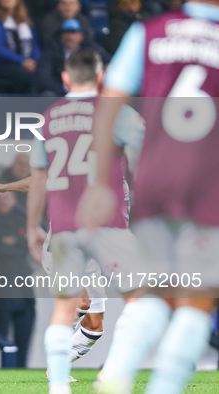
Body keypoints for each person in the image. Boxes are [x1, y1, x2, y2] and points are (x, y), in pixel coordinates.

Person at [77, 0, 219, 392]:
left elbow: (109, 104)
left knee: (158, 289)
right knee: (197, 301)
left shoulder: (149, 31)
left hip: (156, 178)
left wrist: (101, 183)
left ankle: (118, 372)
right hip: (209, 184)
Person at [26, 48, 145, 394]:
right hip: (106, 223)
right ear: (101, 75)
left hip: (63, 226)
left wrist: (32, 227)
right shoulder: (114, 113)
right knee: (140, 300)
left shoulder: (49, 118)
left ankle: (58, 386)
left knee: (66, 310)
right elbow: (145, 162)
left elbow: (38, 178)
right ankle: (116, 375)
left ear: (65, 78)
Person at [0, 176, 107, 382]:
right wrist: (4, 187)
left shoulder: (122, 175)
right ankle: (57, 369)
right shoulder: (82, 160)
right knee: (82, 302)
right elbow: (41, 180)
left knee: (95, 327)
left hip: (92, 255)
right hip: (63, 246)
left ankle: (58, 364)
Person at [0, 191, 36, 368]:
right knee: (1, 338)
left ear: (14, 200)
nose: (2, 202)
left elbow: (33, 245)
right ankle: (2, 375)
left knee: (25, 337)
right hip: (1, 289)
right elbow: (0, 250)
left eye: (6, 198)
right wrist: (19, 242)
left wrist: (15, 242)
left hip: (25, 290)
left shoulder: (26, 223)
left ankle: (21, 373)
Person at [0, 0, 41, 94]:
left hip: (24, 63)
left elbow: (35, 45)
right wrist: (22, 61)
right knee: (22, 74)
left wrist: (33, 61)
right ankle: (18, 105)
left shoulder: (27, 23)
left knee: (40, 72)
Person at [37, 19, 110, 96]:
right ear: (61, 36)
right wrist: (62, 91)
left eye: (73, 33)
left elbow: (108, 60)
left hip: (87, 90)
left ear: (81, 35)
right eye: (66, 33)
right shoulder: (52, 49)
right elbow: (43, 76)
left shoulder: (90, 47)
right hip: (59, 92)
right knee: (48, 95)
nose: (70, 36)